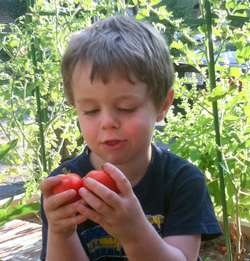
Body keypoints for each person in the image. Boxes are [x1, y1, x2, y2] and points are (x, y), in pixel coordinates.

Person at [39, 15, 222, 261]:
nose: (107, 122)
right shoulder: (64, 188)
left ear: (162, 105)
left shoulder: (183, 182)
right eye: (91, 110)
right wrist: (62, 233)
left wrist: (135, 234)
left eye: (126, 108)